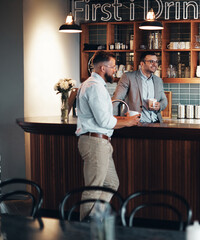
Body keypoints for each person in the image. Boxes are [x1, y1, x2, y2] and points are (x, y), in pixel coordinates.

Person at [75, 51, 140, 220]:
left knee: (111, 183)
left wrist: (123, 119)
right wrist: (127, 122)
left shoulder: (94, 85)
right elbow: (104, 120)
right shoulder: (94, 87)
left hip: (99, 142)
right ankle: (84, 230)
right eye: (112, 67)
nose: (114, 71)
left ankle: (94, 220)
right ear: (103, 68)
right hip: (94, 142)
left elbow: (103, 117)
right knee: (93, 189)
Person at [112, 51, 168, 123]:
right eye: (151, 61)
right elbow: (117, 99)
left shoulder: (158, 81)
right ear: (142, 64)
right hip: (136, 123)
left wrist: (160, 105)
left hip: (155, 122)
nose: (155, 64)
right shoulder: (128, 77)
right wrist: (114, 119)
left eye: (156, 62)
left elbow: (164, 100)